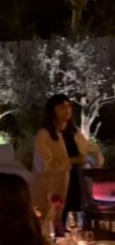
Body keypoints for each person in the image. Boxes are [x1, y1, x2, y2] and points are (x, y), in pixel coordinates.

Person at [32, 94, 104, 228]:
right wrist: (72, 161)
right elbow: (46, 164)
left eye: (69, 106)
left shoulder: (74, 133)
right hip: (56, 185)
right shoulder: (44, 135)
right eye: (62, 106)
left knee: (77, 218)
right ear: (52, 110)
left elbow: (90, 148)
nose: (67, 109)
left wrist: (96, 158)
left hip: (77, 182)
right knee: (55, 219)